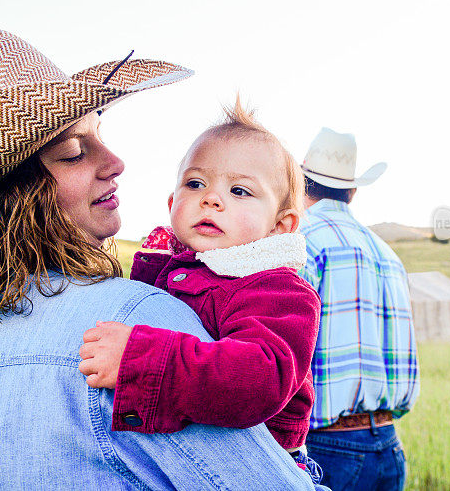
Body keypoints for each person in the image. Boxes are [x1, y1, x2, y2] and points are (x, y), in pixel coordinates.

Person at [0, 27, 322, 490]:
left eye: (99, 135)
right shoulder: (135, 323)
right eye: (74, 153)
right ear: (14, 195)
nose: (115, 160)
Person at [77, 100, 323, 482]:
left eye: (240, 191)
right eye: (195, 184)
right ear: (174, 203)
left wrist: (140, 359)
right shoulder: (167, 266)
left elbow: (260, 378)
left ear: (280, 226)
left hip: (255, 466)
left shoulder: (278, 290)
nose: (211, 198)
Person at [297, 128, 420, 491]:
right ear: (352, 191)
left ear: (302, 183)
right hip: (389, 444)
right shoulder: (387, 254)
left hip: (327, 449)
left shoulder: (303, 241)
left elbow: (291, 345)